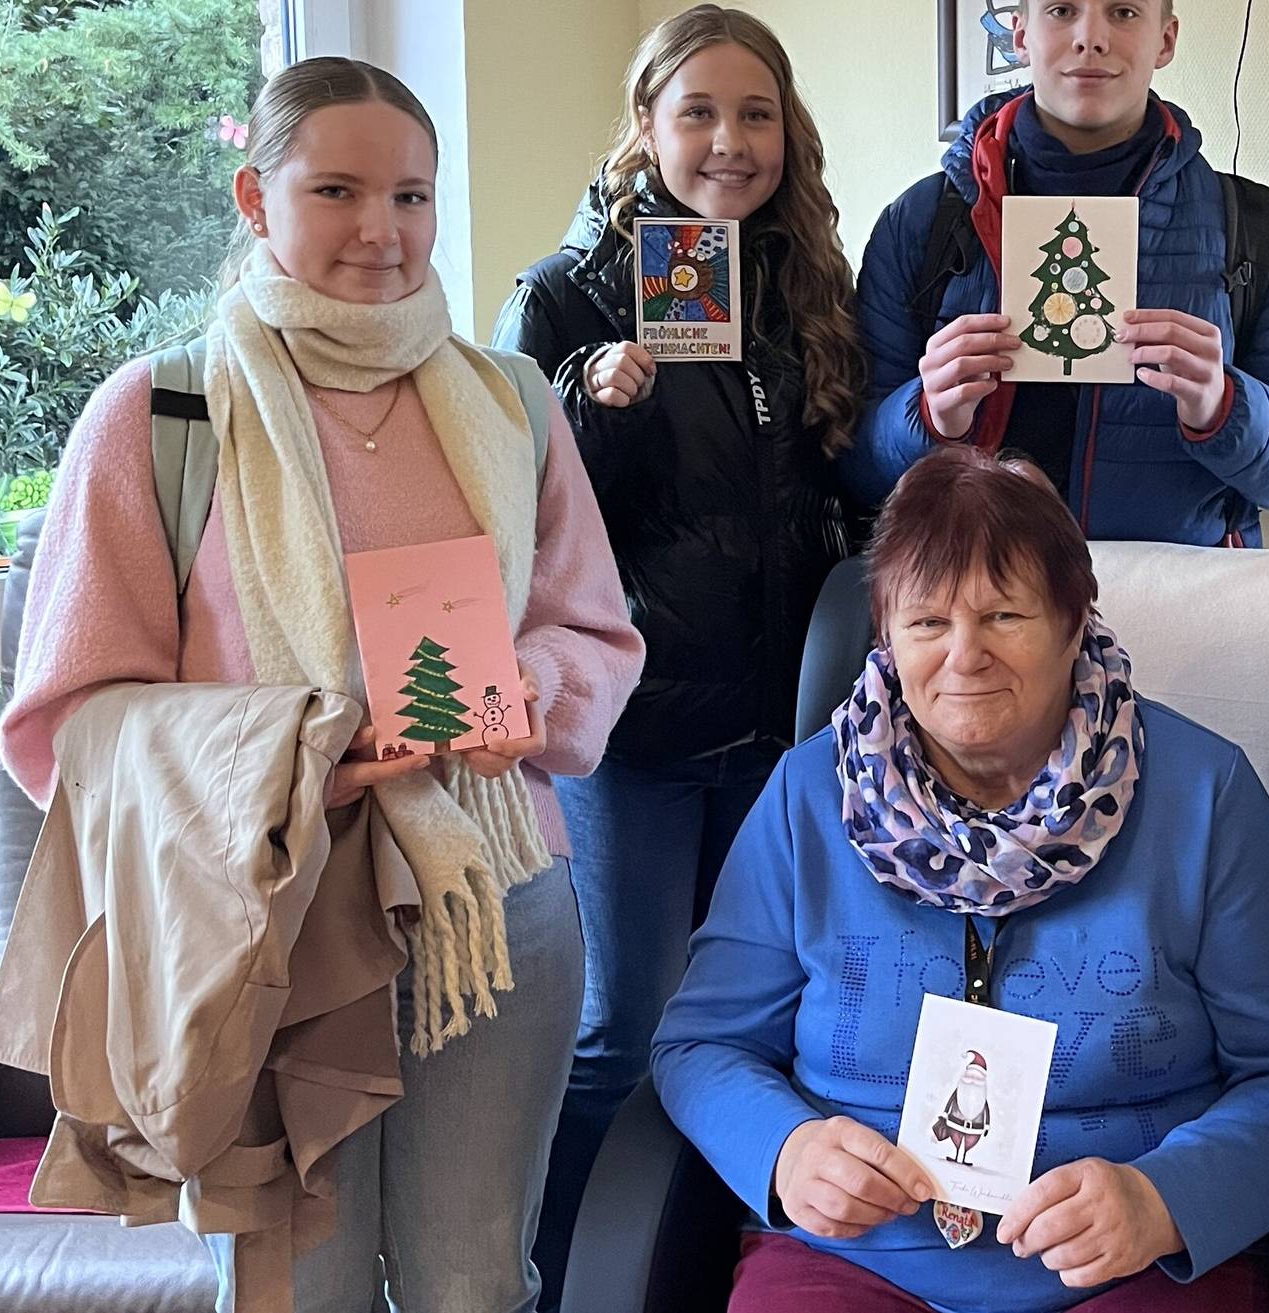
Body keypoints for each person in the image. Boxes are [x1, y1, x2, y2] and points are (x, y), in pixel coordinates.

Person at [0, 56, 641, 1311]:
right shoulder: (160, 417)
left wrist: (532, 683)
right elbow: (64, 725)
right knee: (299, 1287)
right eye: (336, 189)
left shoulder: (510, 402)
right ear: (255, 197)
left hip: (494, 899)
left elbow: (598, 633)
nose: (379, 231)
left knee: (475, 1283)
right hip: (266, 918)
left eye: (411, 196)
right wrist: (291, 758)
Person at [652, 444, 1269, 1313]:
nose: (965, 656)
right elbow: (700, 1043)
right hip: (856, 1259)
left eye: (1003, 616)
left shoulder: (1203, 795)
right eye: (926, 623)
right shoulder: (810, 797)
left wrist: (1165, 1199)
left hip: (1128, 1265)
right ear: (886, 635)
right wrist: (788, 1148)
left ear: (1074, 622)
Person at [487, 5, 867, 1296]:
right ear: (644, 127)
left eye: (755, 113)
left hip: (778, 735)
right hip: (634, 740)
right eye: (698, 111)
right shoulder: (563, 293)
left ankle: (699, 1264)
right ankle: (568, 1276)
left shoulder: (805, 283)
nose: (728, 141)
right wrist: (595, 404)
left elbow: (832, 487)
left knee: (749, 1031)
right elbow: (502, 514)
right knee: (626, 1031)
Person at [843, 0, 1269, 545]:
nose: (1091, 37)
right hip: (968, 603)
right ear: (1019, 35)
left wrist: (1225, 405)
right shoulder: (921, 222)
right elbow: (850, 468)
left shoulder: (1248, 227)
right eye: (1062, 10)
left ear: (1166, 40)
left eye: (1125, 12)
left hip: (1168, 604)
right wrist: (926, 416)